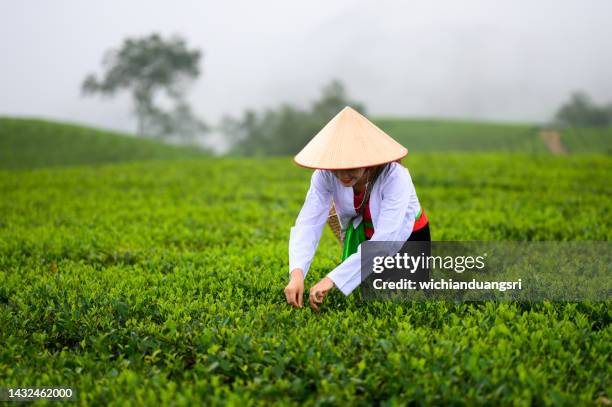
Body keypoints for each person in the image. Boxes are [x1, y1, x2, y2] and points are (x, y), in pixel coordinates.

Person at [284, 106, 430, 310]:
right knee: (367, 298)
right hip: (365, 233)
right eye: (337, 168)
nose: (343, 176)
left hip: (407, 236)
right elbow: (309, 222)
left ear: (368, 162)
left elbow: (386, 239)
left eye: (351, 168)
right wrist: (297, 273)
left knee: (404, 299)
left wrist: (332, 279)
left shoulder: (395, 176)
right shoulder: (324, 174)